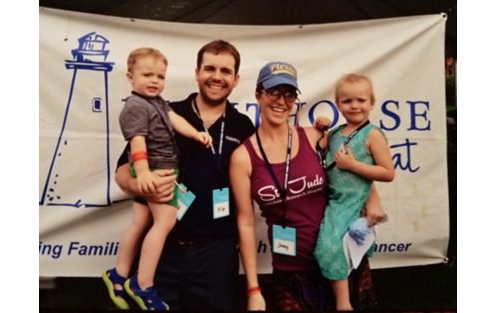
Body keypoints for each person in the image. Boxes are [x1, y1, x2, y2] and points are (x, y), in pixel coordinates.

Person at [113, 40, 255, 310]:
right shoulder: (164, 111)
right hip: (163, 251)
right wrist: (140, 184)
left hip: (216, 253)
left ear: (236, 80)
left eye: (225, 71)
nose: (216, 76)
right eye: (209, 68)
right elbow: (122, 171)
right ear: (197, 72)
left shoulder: (243, 125)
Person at [230, 63, 382, 311]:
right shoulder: (242, 157)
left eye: (289, 94)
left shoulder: (315, 137)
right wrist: (254, 289)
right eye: (273, 92)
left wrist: (372, 197)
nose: (282, 101)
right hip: (293, 272)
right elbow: (245, 223)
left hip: (341, 259)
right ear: (258, 94)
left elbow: (350, 172)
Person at [102, 47, 212, 310]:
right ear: (130, 76)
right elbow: (137, 142)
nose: (154, 81)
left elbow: (175, 119)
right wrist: (142, 174)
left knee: (139, 222)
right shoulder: (135, 106)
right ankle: (143, 284)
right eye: (147, 74)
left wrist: (196, 134)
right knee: (165, 221)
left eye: (160, 76)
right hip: (155, 172)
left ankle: (118, 273)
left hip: (156, 170)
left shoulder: (159, 102)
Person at [313, 73, 395, 311]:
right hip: (333, 199)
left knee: (329, 247)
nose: (355, 106)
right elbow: (322, 151)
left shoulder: (373, 135)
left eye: (361, 100)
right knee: (328, 246)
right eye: (347, 101)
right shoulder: (337, 132)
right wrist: (321, 129)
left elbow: (387, 172)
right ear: (338, 104)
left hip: (352, 200)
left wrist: (353, 166)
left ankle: (343, 304)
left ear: (372, 102)